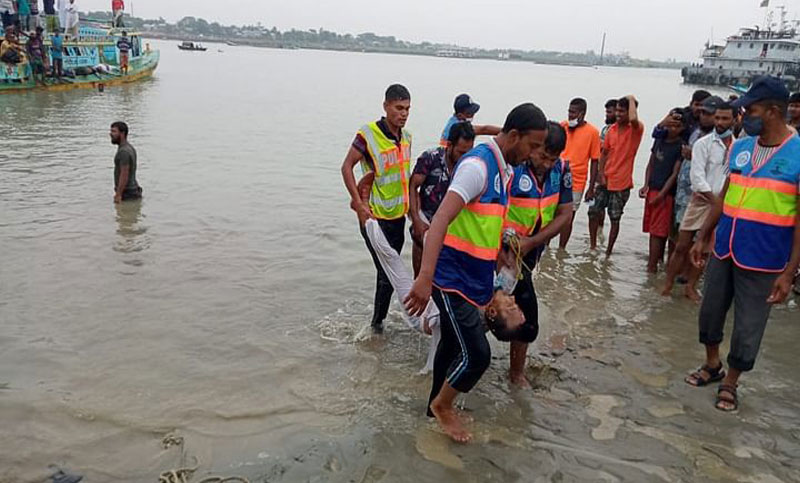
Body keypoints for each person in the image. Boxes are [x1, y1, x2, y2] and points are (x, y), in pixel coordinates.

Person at [405, 103, 548, 443]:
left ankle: (432, 408)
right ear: (514, 136)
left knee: (453, 346)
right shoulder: (477, 167)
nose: (532, 155)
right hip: (450, 277)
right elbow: (439, 220)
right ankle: (443, 406)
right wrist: (425, 277)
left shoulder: (505, 171)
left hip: (474, 279)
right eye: (531, 146)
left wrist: (500, 256)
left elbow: (485, 221)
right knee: (478, 355)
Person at [685, 76, 800, 412]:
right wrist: (704, 235)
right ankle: (711, 364)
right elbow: (725, 195)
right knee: (710, 313)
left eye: (751, 109)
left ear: (774, 112)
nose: (743, 115)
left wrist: (790, 272)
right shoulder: (741, 146)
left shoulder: (797, 154)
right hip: (725, 247)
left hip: (765, 257)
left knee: (749, 323)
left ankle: (731, 381)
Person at [501, 121, 573, 386]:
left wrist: (533, 242)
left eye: (553, 158)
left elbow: (565, 214)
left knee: (524, 317)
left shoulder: (562, 170)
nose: (547, 163)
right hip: (500, 251)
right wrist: (501, 247)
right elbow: (492, 208)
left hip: (528, 253)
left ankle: (515, 373)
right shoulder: (513, 167)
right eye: (543, 156)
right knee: (494, 310)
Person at [340, 84, 412, 334]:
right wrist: (359, 205)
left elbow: (405, 178)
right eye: (399, 108)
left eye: (407, 109)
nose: (403, 114)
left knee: (389, 274)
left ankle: (378, 323)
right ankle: (377, 327)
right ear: (386, 106)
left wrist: (415, 214)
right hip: (375, 218)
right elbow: (347, 167)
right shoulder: (368, 134)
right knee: (387, 273)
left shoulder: (407, 138)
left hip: (398, 218)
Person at [662, 102, 735, 300]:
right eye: (717, 118)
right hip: (701, 200)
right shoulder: (703, 143)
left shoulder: (738, 147)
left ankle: (690, 287)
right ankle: (667, 284)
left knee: (706, 250)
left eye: (725, 118)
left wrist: (720, 203)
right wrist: (715, 201)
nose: (719, 122)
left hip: (723, 204)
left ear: (735, 120)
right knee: (682, 245)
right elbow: (697, 177)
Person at [409, 122, 475, 276]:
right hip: (426, 225)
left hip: (453, 231)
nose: (464, 157)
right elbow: (413, 186)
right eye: (460, 152)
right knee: (420, 277)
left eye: (468, 152)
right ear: (450, 145)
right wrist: (416, 220)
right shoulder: (430, 158)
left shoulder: (470, 165)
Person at [588, 95, 644, 256]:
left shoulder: (636, 129)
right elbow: (604, 154)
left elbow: (633, 118)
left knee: (615, 218)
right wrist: (600, 174)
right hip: (605, 179)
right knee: (593, 212)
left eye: (622, 111)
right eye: (617, 110)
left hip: (621, 183)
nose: (618, 114)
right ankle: (593, 247)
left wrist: (632, 98)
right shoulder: (611, 130)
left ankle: (608, 252)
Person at [640, 109, 685, 273]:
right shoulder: (659, 140)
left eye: (677, 126)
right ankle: (655, 262)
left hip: (665, 194)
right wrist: (646, 185)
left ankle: (651, 267)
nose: (673, 128)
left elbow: (675, 173)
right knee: (652, 229)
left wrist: (662, 194)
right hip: (652, 189)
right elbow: (651, 164)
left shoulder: (680, 145)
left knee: (658, 232)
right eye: (671, 124)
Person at [559, 97, 600, 249]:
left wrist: (591, 187)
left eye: (573, 112)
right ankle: (546, 247)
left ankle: (561, 248)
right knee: (549, 214)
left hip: (577, 181)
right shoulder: (562, 126)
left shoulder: (593, 133)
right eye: (569, 111)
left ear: (582, 114)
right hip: (558, 176)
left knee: (569, 217)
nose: (570, 115)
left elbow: (595, 161)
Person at [111, 121, 142, 203]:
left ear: (122, 133)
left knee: (125, 215)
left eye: (114, 131)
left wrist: (118, 194)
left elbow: (124, 174)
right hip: (133, 191)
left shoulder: (123, 151)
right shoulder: (130, 148)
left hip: (127, 193)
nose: (110, 134)